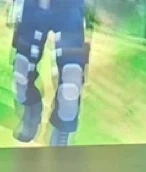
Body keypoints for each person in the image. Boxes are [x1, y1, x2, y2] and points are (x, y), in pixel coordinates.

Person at [12, 0, 90, 146]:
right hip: (33, 7)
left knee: (71, 82)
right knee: (22, 71)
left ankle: (63, 129)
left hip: (70, 9)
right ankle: (31, 109)